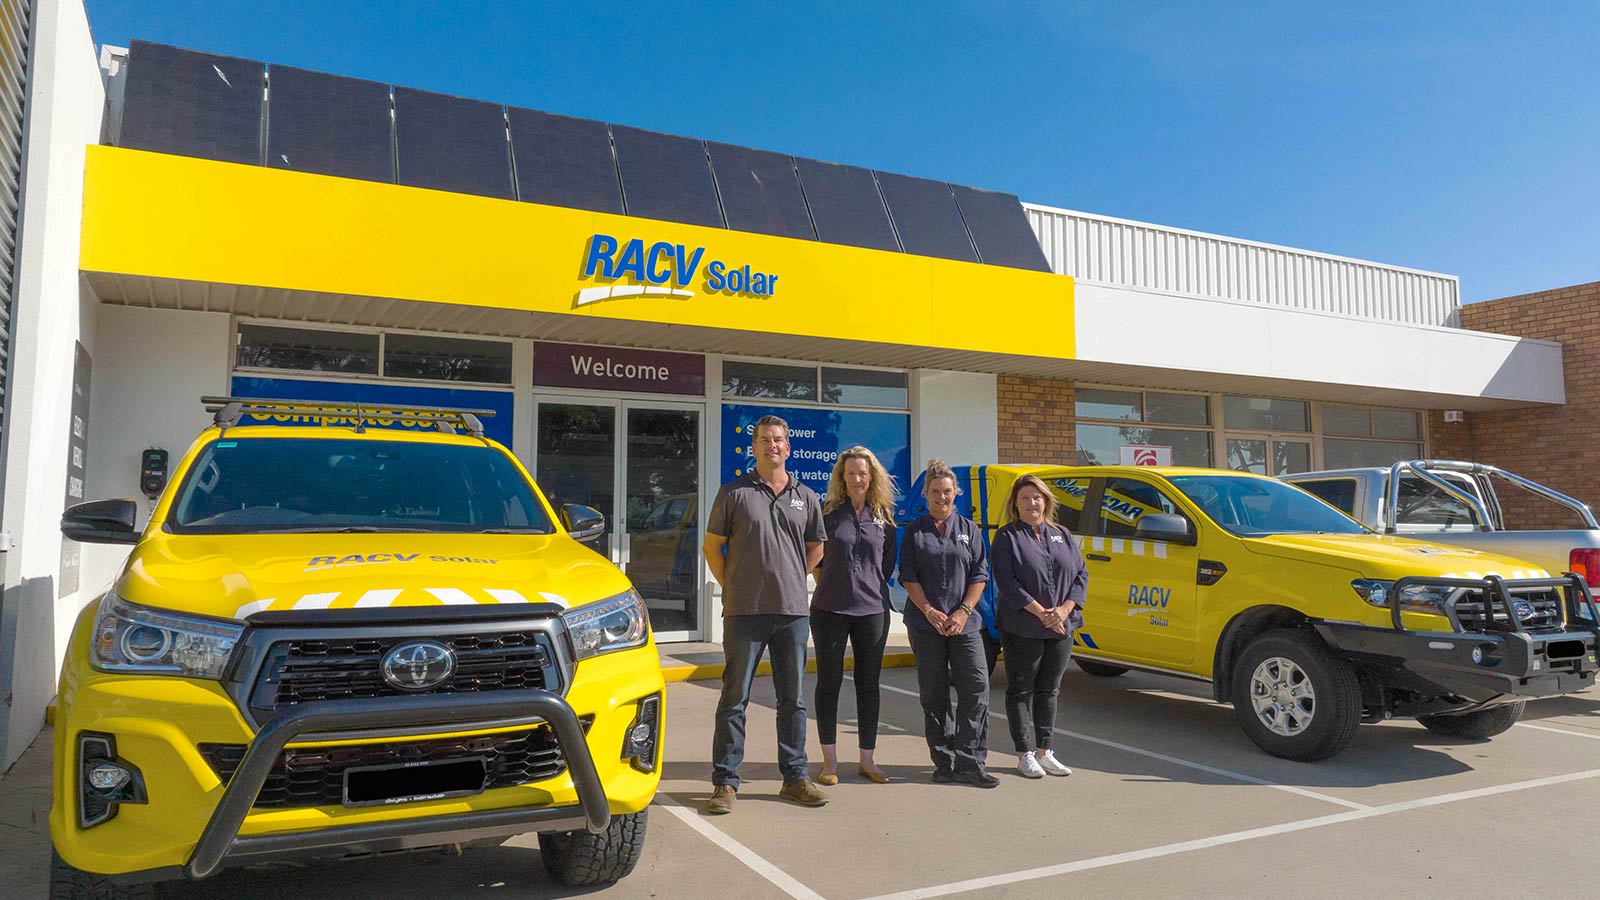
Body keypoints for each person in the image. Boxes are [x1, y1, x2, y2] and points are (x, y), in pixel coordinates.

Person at [701, 415, 829, 814]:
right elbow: (712, 548)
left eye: (778, 440)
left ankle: (794, 778)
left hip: (792, 611)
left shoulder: (805, 496)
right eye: (764, 440)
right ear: (753, 448)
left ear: (788, 448)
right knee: (734, 698)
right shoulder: (733, 493)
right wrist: (735, 584)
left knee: (792, 700)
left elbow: (816, 550)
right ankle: (725, 783)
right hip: (744, 611)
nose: (772, 445)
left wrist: (790, 577)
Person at [899, 459, 996, 788]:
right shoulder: (915, 532)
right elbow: (908, 578)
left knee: (976, 689)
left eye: (948, 492)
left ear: (957, 493)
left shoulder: (970, 530)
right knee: (934, 694)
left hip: (964, 625)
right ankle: (943, 760)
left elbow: (980, 575)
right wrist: (929, 611)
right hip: (927, 626)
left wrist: (963, 611)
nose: (942, 497)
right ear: (926, 495)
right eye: (936, 492)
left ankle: (971, 760)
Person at [811, 446, 898, 785]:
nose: (857, 479)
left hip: (873, 611)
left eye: (863, 473)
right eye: (851, 473)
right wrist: (835, 585)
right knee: (828, 684)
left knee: (868, 685)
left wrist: (863, 587)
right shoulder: (828, 512)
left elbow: (886, 565)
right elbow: (817, 561)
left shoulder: (884, 517)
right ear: (841, 477)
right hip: (830, 609)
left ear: (871, 476)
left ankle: (868, 760)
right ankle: (829, 762)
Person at [991, 473, 1086, 779]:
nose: (1032, 503)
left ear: (1046, 501)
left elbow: (1080, 574)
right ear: (1015, 505)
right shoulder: (1007, 537)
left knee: (1049, 690)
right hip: (1022, 626)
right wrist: (1041, 612)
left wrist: (1063, 610)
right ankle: (1025, 753)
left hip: (1060, 626)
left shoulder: (1062, 535)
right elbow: (1007, 582)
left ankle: (1046, 752)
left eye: (1037, 497)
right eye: (1025, 498)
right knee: (1020, 690)